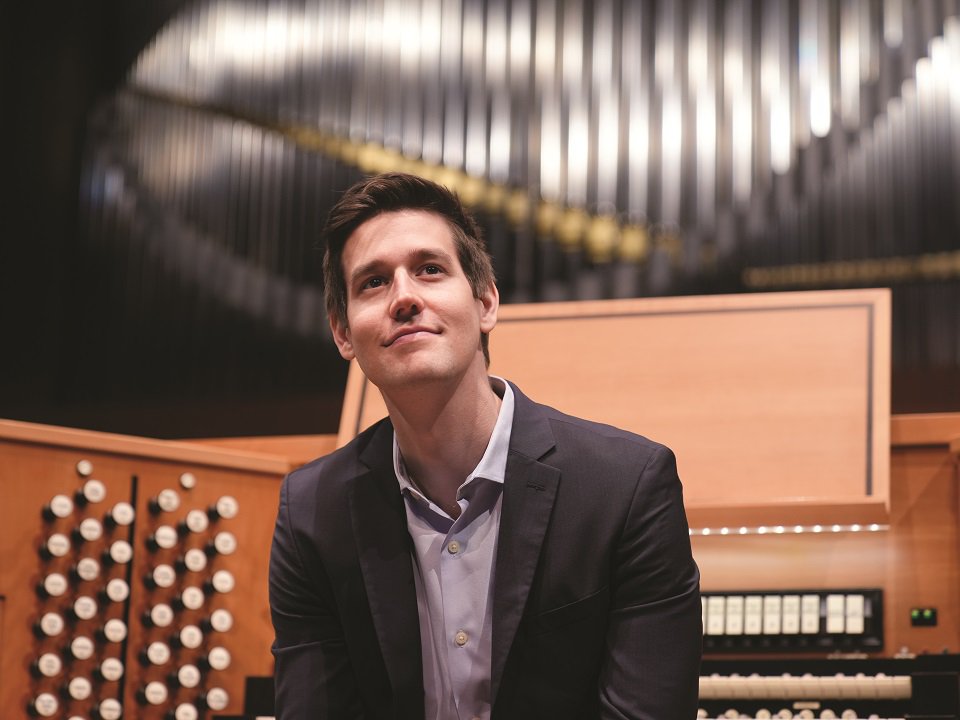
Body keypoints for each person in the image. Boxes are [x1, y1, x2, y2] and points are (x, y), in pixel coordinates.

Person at [269, 172, 702, 719]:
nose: (404, 297)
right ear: (342, 333)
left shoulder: (626, 487)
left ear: (486, 302)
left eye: (430, 269)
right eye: (373, 282)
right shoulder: (311, 513)